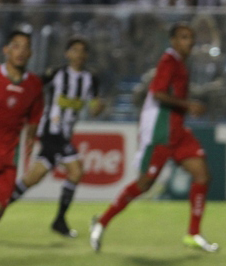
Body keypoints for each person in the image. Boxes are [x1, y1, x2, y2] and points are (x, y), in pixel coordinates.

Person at [90, 22, 218, 253]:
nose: (189, 41)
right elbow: (158, 93)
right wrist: (188, 105)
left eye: (191, 37)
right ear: (173, 41)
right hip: (160, 133)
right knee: (144, 185)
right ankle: (101, 221)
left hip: (177, 132)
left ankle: (193, 234)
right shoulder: (168, 61)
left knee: (202, 175)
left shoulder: (180, 64)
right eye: (184, 37)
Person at [7, 36, 104, 237]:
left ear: (86, 55)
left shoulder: (90, 79)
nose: (78, 54)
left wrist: (98, 108)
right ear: (67, 54)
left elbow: (94, 108)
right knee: (76, 171)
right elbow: (32, 86)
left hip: (65, 134)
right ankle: (59, 220)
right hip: (51, 131)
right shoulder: (57, 74)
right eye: (74, 50)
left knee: (32, 178)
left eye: (82, 51)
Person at [0, 30, 44, 240]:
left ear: (31, 54)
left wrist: (31, 142)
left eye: (25, 47)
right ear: (6, 50)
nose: (21, 51)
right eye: (16, 46)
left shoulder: (34, 86)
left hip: (9, 157)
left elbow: (34, 119)